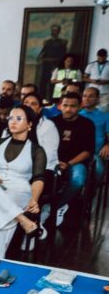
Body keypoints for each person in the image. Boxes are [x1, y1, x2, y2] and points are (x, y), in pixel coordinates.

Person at [0, 105, 47, 258]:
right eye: (11, 118)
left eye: (19, 118)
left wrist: (34, 199)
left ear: (30, 124)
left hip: (19, 190)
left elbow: (38, 178)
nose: (13, 121)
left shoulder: (37, 150)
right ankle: (21, 219)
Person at [52, 92, 95, 224]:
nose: (68, 109)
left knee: (78, 180)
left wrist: (69, 164)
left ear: (80, 106)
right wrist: (55, 161)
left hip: (76, 163)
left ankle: (57, 206)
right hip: (53, 160)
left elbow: (87, 151)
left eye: (73, 106)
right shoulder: (52, 122)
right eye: (65, 105)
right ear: (60, 106)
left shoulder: (87, 124)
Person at [20, 92, 60, 173]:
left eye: (33, 104)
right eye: (26, 103)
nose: (28, 106)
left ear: (40, 109)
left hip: (42, 168)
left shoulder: (48, 126)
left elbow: (48, 155)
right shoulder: (12, 123)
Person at [79, 87, 109, 179]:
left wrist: (108, 145)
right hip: (76, 151)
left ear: (97, 98)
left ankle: (94, 188)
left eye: (91, 96)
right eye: (84, 96)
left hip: (95, 153)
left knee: (99, 170)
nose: (87, 99)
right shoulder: (77, 114)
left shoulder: (105, 116)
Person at [37, 24, 69, 100]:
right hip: (46, 67)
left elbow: (63, 56)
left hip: (56, 66)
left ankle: (52, 100)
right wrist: (41, 59)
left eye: (55, 30)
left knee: (53, 85)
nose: (54, 32)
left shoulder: (62, 42)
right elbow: (42, 54)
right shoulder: (47, 42)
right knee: (43, 84)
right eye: (53, 30)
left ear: (58, 31)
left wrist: (49, 59)